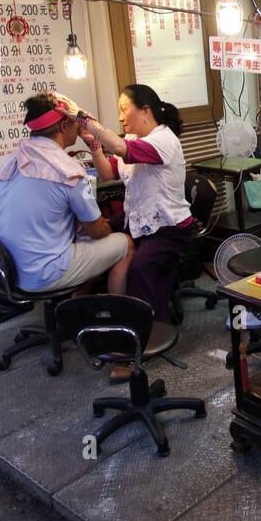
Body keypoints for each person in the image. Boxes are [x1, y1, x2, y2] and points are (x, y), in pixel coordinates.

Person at [66, 85, 193, 336]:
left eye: (124, 110)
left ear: (145, 110)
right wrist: (93, 144)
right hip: (137, 216)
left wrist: (87, 121)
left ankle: (149, 332)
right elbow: (106, 172)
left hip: (168, 226)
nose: (121, 117)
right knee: (90, 232)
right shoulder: (133, 140)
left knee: (141, 267)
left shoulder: (164, 139)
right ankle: (94, 309)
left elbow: (124, 151)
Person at [0, 94, 131, 295]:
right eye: (75, 122)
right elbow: (97, 230)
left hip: (10, 270)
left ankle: (75, 304)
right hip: (44, 272)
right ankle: (121, 314)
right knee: (125, 243)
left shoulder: (15, 159)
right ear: (65, 125)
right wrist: (109, 225)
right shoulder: (67, 170)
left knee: (85, 241)